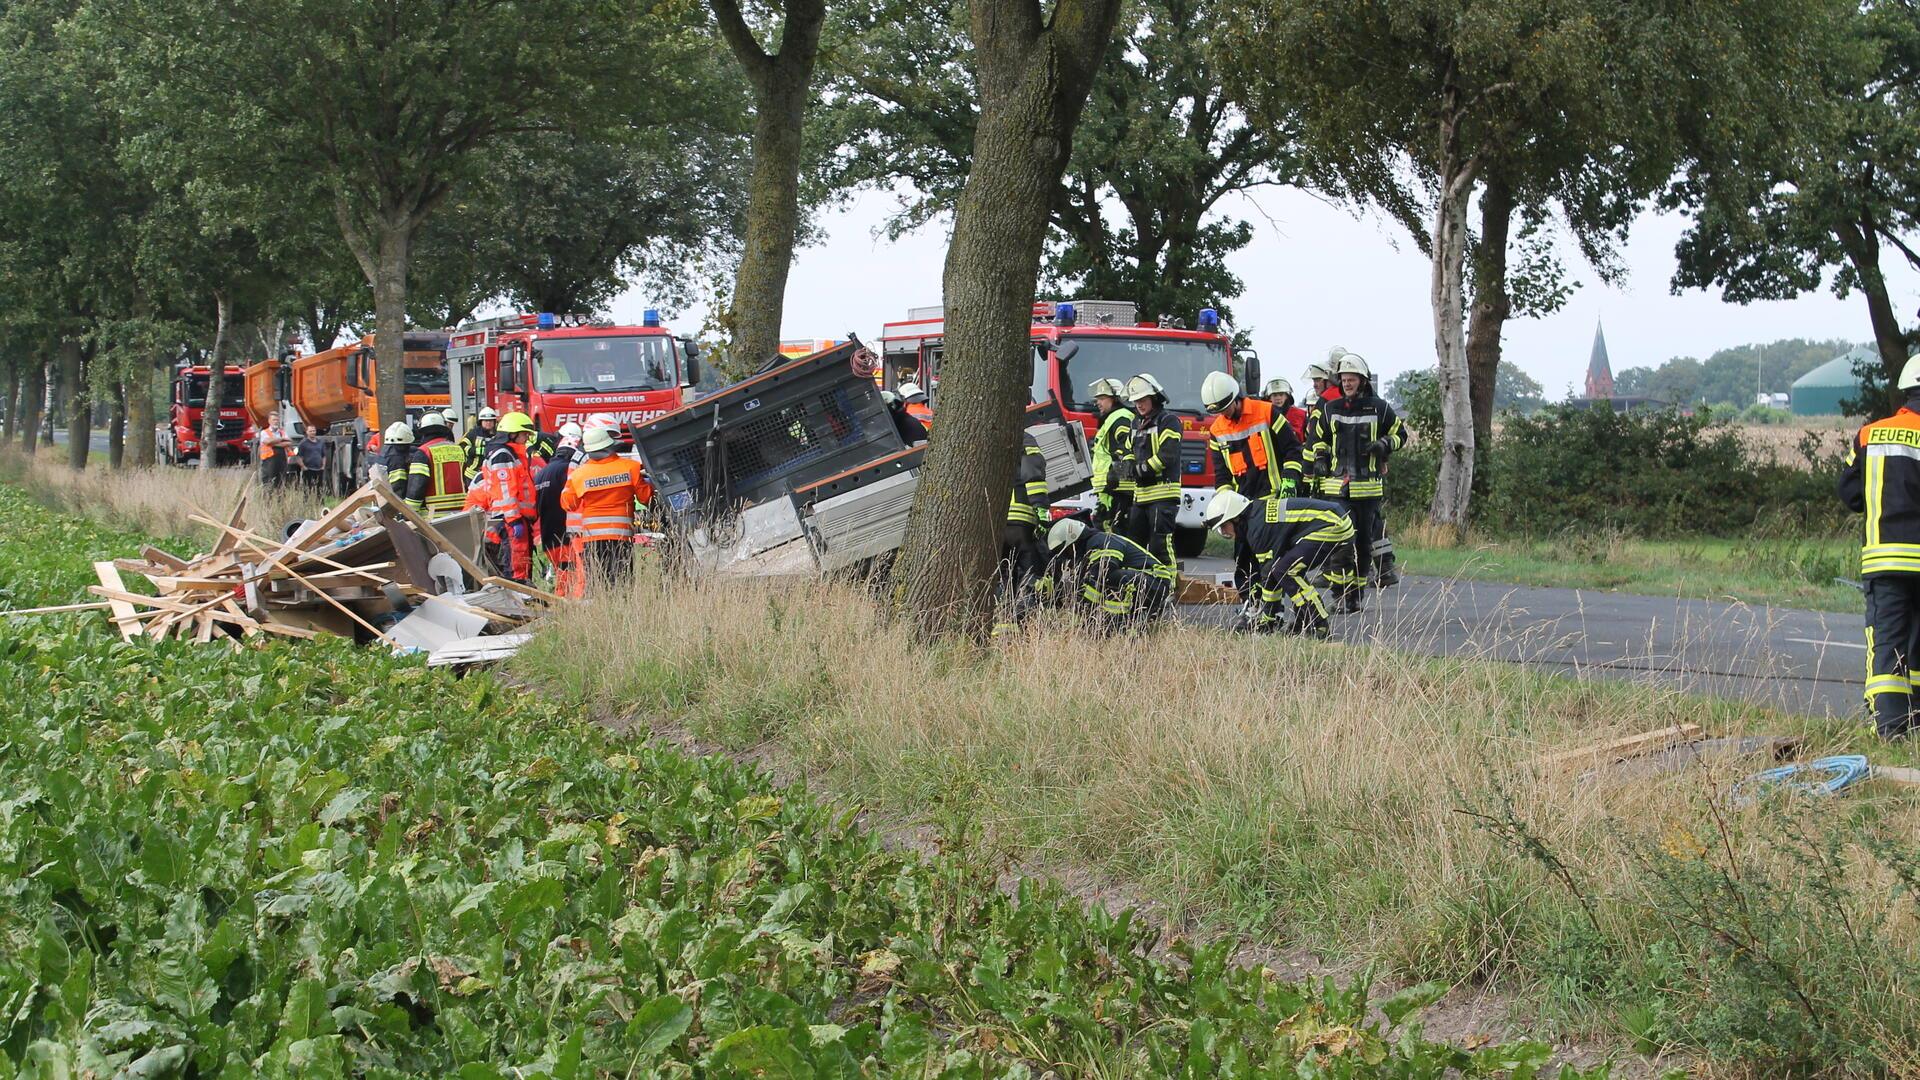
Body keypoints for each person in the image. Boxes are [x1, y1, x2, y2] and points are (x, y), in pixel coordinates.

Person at [1839, 355, 1920, 738]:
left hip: (1885, 561)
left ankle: (1890, 729)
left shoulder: (1870, 434)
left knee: (1888, 642)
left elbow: (1850, 494)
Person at [1305, 353, 1406, 609]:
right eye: (1344, 379)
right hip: (1337, 489)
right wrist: (1320, 457)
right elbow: (1319, 437)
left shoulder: (1379, 407)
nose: (1347, 383)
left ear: (1362, 381)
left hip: (1368, 490)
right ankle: (1339, 594)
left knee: (1363, 544)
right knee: (1340, 542)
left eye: (1351, 379)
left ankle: (1356, 597)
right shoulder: (1331, 408)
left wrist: (1383, 445)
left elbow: (1400, 435)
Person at [1203, 489, 1355, 639]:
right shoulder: (1255, 516)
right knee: (1287, 568)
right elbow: (1272, 576)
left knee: (1287, 571)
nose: (1225, 533)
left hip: (1332, 524)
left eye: (1223, 527)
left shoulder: (1257, 531)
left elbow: (1268, 576)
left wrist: (1268, 621)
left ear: (1235, 518)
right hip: (1334, 519)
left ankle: (1318, 624)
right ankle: (1304, 621)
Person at [561, 425, 652, 587]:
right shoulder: (630, 467)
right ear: (610, 446)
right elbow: (646, 498)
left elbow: (568, 504)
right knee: (622, 583)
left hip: (592, 538)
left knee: (598, 585)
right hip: (621, 535)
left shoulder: (579, 474)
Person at [1045, 517, 1172, 632]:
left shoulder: (1100, 541)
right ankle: (1115, 624)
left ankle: (1117, 625)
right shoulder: (1090, 547)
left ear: (1073, 540)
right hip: (1145, 582)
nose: (1067, 556)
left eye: (1066, 551)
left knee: (1109, 576)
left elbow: (1103, 571)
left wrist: (1085, 614)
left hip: (1157, 583)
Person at [1202, 371, 1302, 503]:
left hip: (1275, 499)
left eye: (1225, 409)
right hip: (1242, 505)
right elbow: (1222, 474)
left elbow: (1293, 448)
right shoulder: (1216, 431)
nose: (1223, 414)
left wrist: (1290, 479)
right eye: (1218, 412)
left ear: (1235, 398)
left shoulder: (1267, 412)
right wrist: (1224, 498)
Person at [1125, 373, 1183, 569]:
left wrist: (1140, 469)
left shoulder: (1169, 421)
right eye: (1136, 401)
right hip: (1140, 496)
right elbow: (1128, 450)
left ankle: (1168, 590)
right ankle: (1142, 587)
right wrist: (1125, 467)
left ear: (1154, 397)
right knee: (1134, 545)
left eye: (1142, 400)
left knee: (1160, 545)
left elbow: (1168, 455)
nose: (1139, 405)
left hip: (1163, 494)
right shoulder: (1134, 423)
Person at [482, 412, 539, 583]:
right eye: (524, 434)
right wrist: (513, 519)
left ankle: (523, 593)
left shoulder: (511, 454)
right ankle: (519, 595)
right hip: (511, 519)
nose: (527, 438)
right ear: (511, 434)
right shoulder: (503, 454)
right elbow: (505, 490)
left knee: (521, 561)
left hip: (516, 517)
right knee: (516, 563)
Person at [1001, 429, 1051, 617]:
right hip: (1020, 519)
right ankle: (1024, 618)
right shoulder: (1025, 439)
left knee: (1004, 577)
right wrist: (1041, 508)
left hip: (995, 521)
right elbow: (1033, 473)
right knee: (1029, 574)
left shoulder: (985, 438)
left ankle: (1005, 620)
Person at [535, 421, 587, 597]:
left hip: (548, 538)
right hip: (566, 537)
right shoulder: (568, 470)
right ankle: (566, 612)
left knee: (562, 576)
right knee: (570, 583)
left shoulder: (543, 472)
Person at [1087, 378, 1135, 530]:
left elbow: (1127, 448)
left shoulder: (1121, 418)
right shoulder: (1112, 419)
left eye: (1102, 398)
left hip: (1117, 488)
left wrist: (1115, 473)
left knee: (1112, 532)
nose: (1098, 403)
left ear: (1115, 399)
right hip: (1110, 489)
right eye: (1097, 399)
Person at [411, 411, 467, 515]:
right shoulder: (458, 449)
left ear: (422, 430)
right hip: (461, 512)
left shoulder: (423, 452)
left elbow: (417, 487)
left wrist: (408, 512)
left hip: (434, 515)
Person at [378, 420, 425, 507]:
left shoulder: (384, 452)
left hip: (383, 499)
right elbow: (399, 487)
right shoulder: (397, 459)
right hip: (395, 504)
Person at [1263, 377, 1308, 443]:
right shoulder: (1263, 416)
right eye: (1275, 395)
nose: (1278, 398)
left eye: (1281, 395)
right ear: (1269, 397)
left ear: (1287, 396)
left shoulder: (1300, 415)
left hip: (1296, 452)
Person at [461, 407, 499, 481]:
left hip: (492, 474)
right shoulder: (473, 433)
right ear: (480, 422)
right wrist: (476, 451)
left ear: (494, 422)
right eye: (486, 421)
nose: (488, 423)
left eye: (491, 421)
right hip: (473, 474)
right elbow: (462, 446)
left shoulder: (499, 434)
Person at [256, 415, 293, 488]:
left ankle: (279, 498)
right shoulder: (264, 432)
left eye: (277, 420)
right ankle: (268, 498)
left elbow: (289, 442)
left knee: (281, 482)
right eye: (274, 420)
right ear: (269, 421)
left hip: (282, 461)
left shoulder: (282, 432)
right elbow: (267, 442)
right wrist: (282, 439)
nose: (276, 422)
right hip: (268, 461)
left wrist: (274, 443)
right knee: (269, 482)